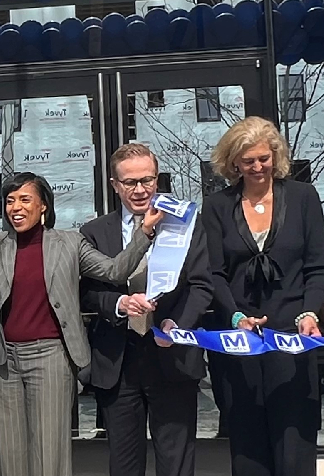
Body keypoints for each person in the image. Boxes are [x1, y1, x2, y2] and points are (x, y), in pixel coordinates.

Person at [0, 171, 152, 476]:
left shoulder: (69, 243)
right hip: (2, 362)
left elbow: (115, 271)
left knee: (50, 457)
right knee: (10, 459)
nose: (16, 207)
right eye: (10, 201)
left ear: (43, 207)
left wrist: (144, 233)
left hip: (51, 358)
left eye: (25, 199)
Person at [202, 116, 324, 476]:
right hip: (239, 342)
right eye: (248, 161)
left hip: (292, 338)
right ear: (233, 164)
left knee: (294, 449)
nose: (258, 167)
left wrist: (310, 312)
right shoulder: (216, 206)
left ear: (275, 155)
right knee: (248, 451)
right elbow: (214, 272)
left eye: (264, 158)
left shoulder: (303, 197)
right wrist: (235, 317)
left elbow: (318, 266)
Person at [80, 144, 214, 476]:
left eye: (147, 180)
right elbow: (86, 292)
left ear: (157, 179)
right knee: (124, 464)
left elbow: (201, 285)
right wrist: (118, 303)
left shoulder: (185, 224)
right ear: (114, 184)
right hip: (118, 360)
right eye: (130, 182)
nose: (140, 189)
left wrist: (179, 325)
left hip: (172, 355)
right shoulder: (95, 231)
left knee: (176, 462)